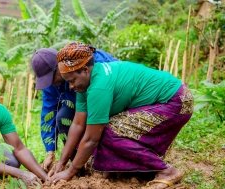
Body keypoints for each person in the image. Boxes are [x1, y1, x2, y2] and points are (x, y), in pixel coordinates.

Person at [49, 42, 193, 189]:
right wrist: (61, 163)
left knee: (108, 132)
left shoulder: (99, 86)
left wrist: (71, 171)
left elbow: (92, 139)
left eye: (72, 81)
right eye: (68, 82)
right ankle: (139, 169)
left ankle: (167, 171)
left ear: (85, 70)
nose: (71, 86)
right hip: (161, 102)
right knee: (107, 131)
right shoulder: (84, 85)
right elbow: (78, 124)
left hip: (176, 101)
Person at [30, 46, 117, 171]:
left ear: (60, 67)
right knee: (63, 118)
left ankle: (100, 159)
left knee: (97, 125)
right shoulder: (52, 83)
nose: (51, 83)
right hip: (79, 103)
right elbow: (48, 111)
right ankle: (79, 163)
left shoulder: (93, 63)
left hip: (107, 98)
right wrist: (50, 150)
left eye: (51, 78)